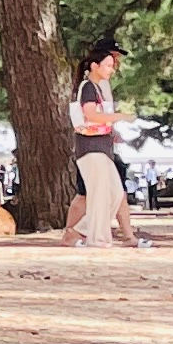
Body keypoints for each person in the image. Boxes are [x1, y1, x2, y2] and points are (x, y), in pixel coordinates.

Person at [67, 40, 144, 250]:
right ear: (96, 64)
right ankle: (97, 238)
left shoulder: (98, 87)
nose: (113, 67)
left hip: (101, 146)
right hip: (91, 148)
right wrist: (119, 116)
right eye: (109, 63)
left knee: (114, 192)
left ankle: (81, 231)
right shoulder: (90, 87)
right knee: (97, 194)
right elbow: (91, 114)